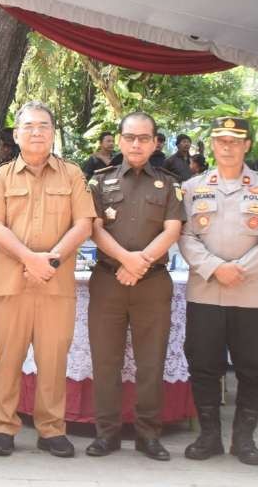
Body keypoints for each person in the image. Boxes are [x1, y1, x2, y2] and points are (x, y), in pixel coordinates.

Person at [0, 100, 96, 458]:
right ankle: (2, 428)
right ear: (16, 134)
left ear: (52, 133)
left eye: (43, 126)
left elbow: (84, 223)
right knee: (8, 358)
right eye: (28, 126)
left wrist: (53, 259)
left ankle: (51, 430)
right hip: (12, 282)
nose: (36, 133)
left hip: (55, 283)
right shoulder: (0, 176)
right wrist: (30, 258)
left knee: (53, 359)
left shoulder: (72, 174)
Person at [178, 117, 258, 466]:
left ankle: (244, 439)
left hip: (251, 293)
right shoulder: (193, 187)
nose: (227, 146)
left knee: (254, 367)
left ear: (247, 145)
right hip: (206, 292)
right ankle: (209, 436)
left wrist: (242, 270)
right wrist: (215, 268)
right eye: (221, 140)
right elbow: (184, 236)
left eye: (235, 141)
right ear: (212, 145)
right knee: (204, 364)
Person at [85, 112, 183, 460]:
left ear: (156, 142)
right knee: (105, 361)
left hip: (152, 284)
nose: (137, 144)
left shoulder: (170, 184)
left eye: (144, 138)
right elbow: (93, 229)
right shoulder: (99, 182)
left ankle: (148, 435)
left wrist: (139, 264)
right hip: (109, 281)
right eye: (130, 137)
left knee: (151, 362)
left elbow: (173, 230)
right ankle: (106, 434)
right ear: (120, 140)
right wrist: (127, 261)